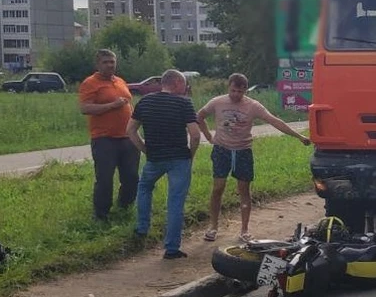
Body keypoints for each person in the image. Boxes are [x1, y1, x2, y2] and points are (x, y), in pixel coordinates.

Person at [197, 72, 311, 242]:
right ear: (229, 87)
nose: (236, 95)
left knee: (244, 190)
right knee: (218, 188)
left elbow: (274, 121)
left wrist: (299, 137)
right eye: (233, 90)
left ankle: (244, 230)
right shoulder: (217, 102)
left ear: (245, 91)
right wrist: (207, 136)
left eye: (240, 92)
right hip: (222, 149)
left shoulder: (253, 106)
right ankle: (213, 226)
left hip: (243, 150)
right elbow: (200, 116)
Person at [126, 70, 201, 259]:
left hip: (154, 158)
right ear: (176, 83)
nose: (185, 89)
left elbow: (131, 130)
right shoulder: (184, 103)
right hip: (179, 159)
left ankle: (142, 227)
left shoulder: (145, 101)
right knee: (175, 202)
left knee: (144, 188)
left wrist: (145, 149)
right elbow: (195, 134)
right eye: (184, 84)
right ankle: (171, 248)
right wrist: (190, 155)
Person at [78, 49, 139, 221]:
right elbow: (85, 108)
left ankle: (125, 207)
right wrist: (112, 105)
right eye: (105, 62)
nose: (110, 65)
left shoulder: (120, 81)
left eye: (112, 61)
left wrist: (135, 127)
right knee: (105, 178)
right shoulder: (90, 83)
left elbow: (128, 105)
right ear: (98, 64)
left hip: (127, 137)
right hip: (104, 138)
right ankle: (101, 215)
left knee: (131, 176)